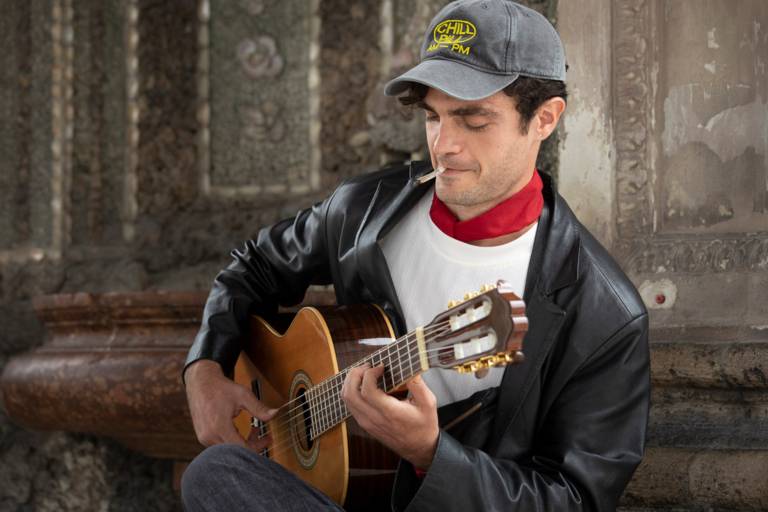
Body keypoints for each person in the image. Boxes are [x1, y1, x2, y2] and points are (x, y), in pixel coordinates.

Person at [181, 0, 650, 510]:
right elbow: (252, 267)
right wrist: (205, 366)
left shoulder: (603, 314)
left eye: (473, 119)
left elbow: (576, 501)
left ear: (544, 118)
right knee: (216, 474)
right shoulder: (364, 212)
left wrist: (433, 454)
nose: (443, 144)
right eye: (433, 116)